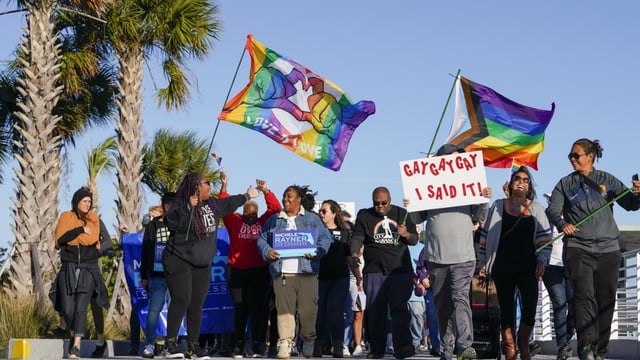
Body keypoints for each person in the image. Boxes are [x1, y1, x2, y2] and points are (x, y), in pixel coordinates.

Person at [546, 138, 640, 360]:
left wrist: (638, 194)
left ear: (590, 156)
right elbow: (553, 210)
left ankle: (600, 349)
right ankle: (586, 347)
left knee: (606, 300)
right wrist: (562, 224)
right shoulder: (564, 184)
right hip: (579, 249)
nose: (572, 159)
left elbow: (631, 204)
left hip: (609, 249)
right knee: (584, 297)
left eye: (576, 155)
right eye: (570, 155)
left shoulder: (607, 180)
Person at [408, 143, 492, 360]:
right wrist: (411, 203)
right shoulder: (428, 186)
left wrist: (484, 198)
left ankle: (465, 347)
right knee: (443, 306)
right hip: (436, 257)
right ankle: (447, 349)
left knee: (460, 299)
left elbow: (479, 215)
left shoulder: (468, 184)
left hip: (463, 256)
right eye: (452, 159)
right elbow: (416, 219)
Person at [162, 172, 260, 359]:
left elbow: (230, 203)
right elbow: (171, 223)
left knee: (196, 304)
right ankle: (171, 345)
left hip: (202, 261)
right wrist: (186, 207)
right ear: (196, 186)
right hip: (178, 258)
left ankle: (193, 346)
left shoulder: (213, 205)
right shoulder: (180, 203)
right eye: (207, 183)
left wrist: (247, 196)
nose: (210, 186)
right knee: (182, 298)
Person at [476, 166, 552, 360]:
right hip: (502, 265)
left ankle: (523, 342)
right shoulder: (498, 206)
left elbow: (544, 239)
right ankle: (509, 346)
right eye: (517, 178)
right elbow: (486, 236)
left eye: (526, 180)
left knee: (530, 306)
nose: (521, 182)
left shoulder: (536, 208)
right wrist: (483, 263)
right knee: (506, 309)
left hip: (528, 266)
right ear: (510, 183)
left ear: (529, 186)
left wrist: (542, 260)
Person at [256, 185, 333, 359]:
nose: (285, 199)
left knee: (308, 309)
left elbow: (326, 238)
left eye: (289, 196)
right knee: (284, 310)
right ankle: (285, 342)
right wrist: (267, 251)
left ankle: (308, 337)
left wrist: (318, 252)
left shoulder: (312, 219)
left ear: (299, 199)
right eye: (284, 196)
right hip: (282, 271)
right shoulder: (274, 219)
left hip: (307, 270)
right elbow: (261, 239)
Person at [349, 186, 419, 359]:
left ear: (390, 200)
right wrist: (354, 253)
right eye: (376, 203)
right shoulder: (365, 215)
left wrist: (406, 234)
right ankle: (377, 348)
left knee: (399, 308)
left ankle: (403, 346)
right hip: (374, 271)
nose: (380, 206)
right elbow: (357, 237)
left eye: (384, 203)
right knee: (374, 311)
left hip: (399, 271)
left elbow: (415, 240)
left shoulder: (401, 213)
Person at [219, 172, 282, 358]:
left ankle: (258, 343)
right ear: (243, 212)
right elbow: (224, 205)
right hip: (236, 271)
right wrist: (224, 185)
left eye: (254, 213)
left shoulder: (263, 222)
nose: (252, 216)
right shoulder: (234, 222)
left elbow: (275, 209)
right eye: (248, 213)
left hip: (258, 271)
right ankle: (239, 343)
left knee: (259, 309)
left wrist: (265, 191)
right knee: (240, 308)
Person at [53, 187, 109, 359]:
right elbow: (60, 239)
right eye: (84, 201)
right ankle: (71, 332)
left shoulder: (95, 220)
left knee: (88, 306)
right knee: (68, 308)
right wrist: (80, 232)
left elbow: (101, 240)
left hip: (89, 268)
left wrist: (95, 250)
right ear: (77, 201)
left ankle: (80, 345)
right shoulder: (66, 217)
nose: (87, 204)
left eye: (89, 202)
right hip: (69, 267)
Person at [314, 200, 355, 358]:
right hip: (320, 277)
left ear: (334, 213)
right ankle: (318, 345)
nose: (322, 214)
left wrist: (358, 278)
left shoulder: (345, 232)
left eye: (324, 211)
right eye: (320, 211)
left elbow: (349, 257)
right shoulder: (316, 231)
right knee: (320, 313)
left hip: (340, 278)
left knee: (336, 312)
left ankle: (338, 346)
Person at [140, 192, 176, 358]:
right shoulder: (153, 226)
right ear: (163, 206)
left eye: (172, 204)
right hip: (157, 275)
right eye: (166, 204)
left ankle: (171, 346)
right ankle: (149, 344)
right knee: (154, 311)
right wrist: (144, 276)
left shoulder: (180, 224)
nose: (169, 207)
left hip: (176, 275)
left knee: (175, 311)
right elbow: (146, 250)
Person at [541, 192, 575, 360]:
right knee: (559, 303)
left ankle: (567, 338)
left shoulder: (573, 217)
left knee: (575, 302)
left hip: (570, 266)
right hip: (551, 267)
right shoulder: (544, 219)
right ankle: (562, 345)